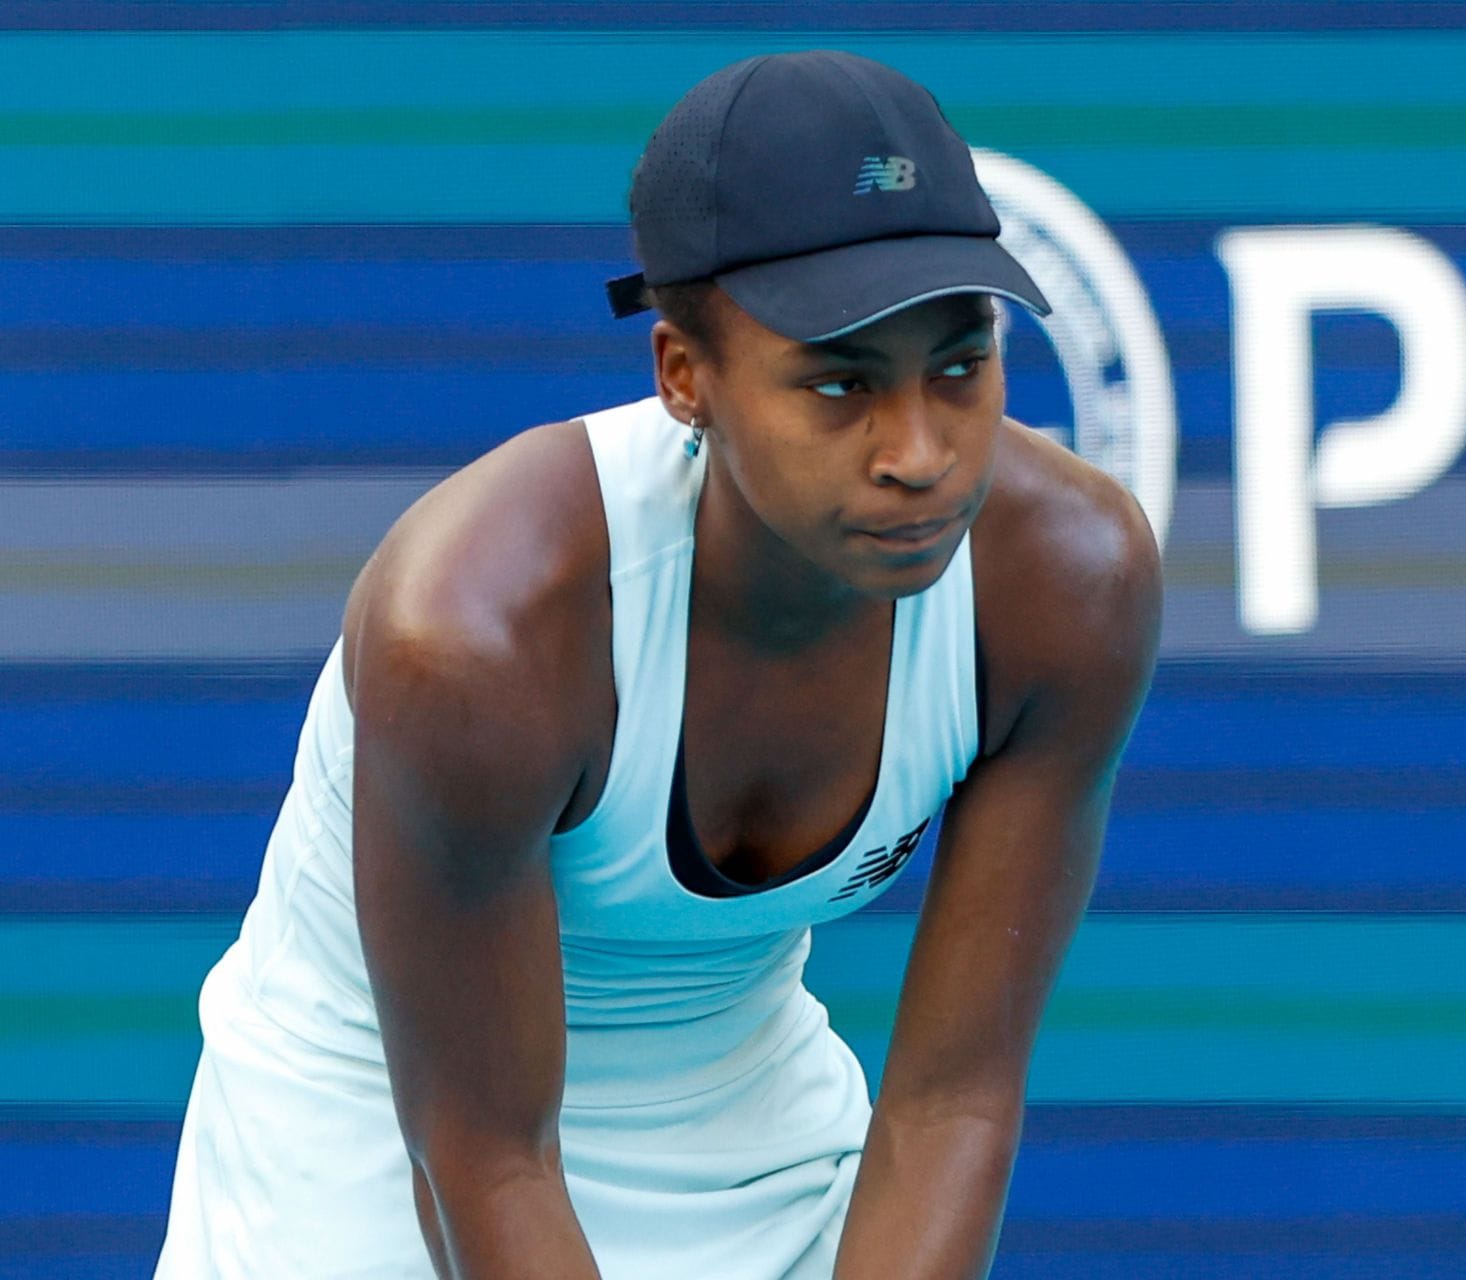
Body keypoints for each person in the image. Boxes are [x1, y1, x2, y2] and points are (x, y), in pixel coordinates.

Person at [155, 49, 1160, 1279]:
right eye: (841, 381)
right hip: (383, 1115)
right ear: (687, 377)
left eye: (960, 366)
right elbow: (483, 1155)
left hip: (744, 1109)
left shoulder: (1068, 584)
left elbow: (954, 1096)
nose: (919, 450)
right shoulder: (476, 636)